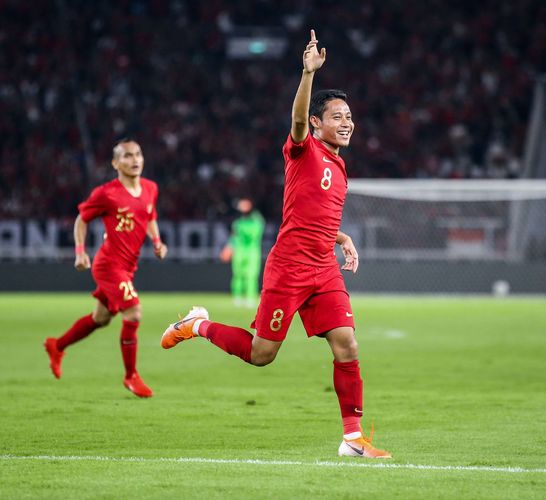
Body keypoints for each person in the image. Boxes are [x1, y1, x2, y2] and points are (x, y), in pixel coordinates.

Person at [161, 30, 391, 458]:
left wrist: (342, 237)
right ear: (320, 123)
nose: (347, 122)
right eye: (338, 116)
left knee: (348, 344)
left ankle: (353, 439)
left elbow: (315, 216)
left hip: (323, 268)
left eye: (350, 116)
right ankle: (197, 325)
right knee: (261, 353)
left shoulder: (340, 169)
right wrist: (307, 74)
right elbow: (298, 121)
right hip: (288, 267)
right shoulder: (303, 149)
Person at [44, 139, 168, 397]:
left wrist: (157, 241)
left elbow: (150, 215)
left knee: (100, 318)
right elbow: (82, 219)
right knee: (133, 313)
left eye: (137, 154)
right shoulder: (106, 194)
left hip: (128, 266)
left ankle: (57, 345)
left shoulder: (150, 188)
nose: (134, 160)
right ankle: (131, 376)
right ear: (115, 163)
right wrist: (80, 252)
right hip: (109, 265)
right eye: (127, 156)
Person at [220, 198, 265, 307]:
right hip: (239, 251)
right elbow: (234, 238)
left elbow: (260, 222)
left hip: (252, 252)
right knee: (238, 275)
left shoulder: (256, 221)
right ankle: (237, 297)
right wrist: (228, 248)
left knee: (251, 275)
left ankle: (250, 298)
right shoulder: (238, 223)